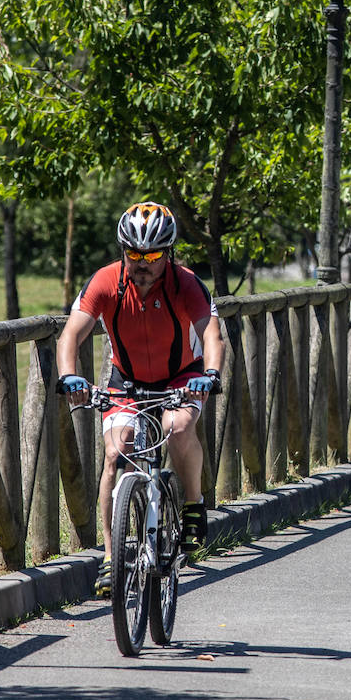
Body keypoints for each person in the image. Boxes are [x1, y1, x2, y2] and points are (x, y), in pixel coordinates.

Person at [56, 202, 224, 597]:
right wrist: (69, 375)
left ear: (169, 253)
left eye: (152, 255)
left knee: (178, 427)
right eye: (134, 254)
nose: (142, 263)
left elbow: (212, 335)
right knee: (117, 452)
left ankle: (193, 503)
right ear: (122, 251)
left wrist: (211, 375)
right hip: (125, 379)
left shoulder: (186, 284)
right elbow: (70, 335)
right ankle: (112, 557)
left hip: (184, 376)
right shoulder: (104, 281)